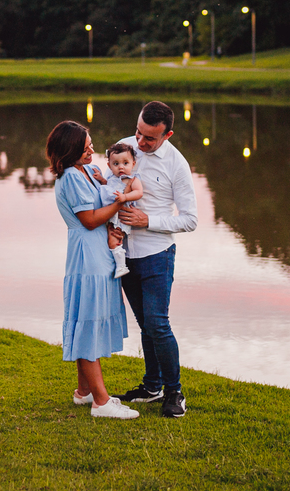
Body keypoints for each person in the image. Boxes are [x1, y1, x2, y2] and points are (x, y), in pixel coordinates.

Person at [45, 120, 139, 420]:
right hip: (88, 254)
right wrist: (119, 202)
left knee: (89, 317)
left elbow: (100, 202)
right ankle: (101, 402)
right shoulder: (71, 177)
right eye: (86, 147)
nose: (93, 151)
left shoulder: (85, 171)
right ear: (71, 149)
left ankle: (84, 392)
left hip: (100, 250)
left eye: (91, 145)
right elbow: (89, 219)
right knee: (88, 319)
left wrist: (105, 186)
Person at [114, 101, 198, 418]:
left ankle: (174, 392)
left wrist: (147, 221)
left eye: (149, 138)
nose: (140, 142)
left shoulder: (177, 164)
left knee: (157, 324)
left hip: (157, 255)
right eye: (139, 132)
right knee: (144, 324)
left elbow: (190, 220)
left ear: (167, 134)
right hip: (124, 255)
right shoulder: (125, 148)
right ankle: (152, 387)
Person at [90, 142, 144, 279]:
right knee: (109, 238)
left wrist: (125, 196)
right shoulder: (112, 179)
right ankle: (117, 263)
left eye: (125, 163)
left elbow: (138, 193)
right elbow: (109, 189)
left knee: (113, 240)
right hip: (111, 215)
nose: (121, 167)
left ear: (133, 163)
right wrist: (102, 180)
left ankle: (121, 266)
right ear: (109, 166)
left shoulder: (132, 179)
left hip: (121, 217)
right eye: (116, 164)